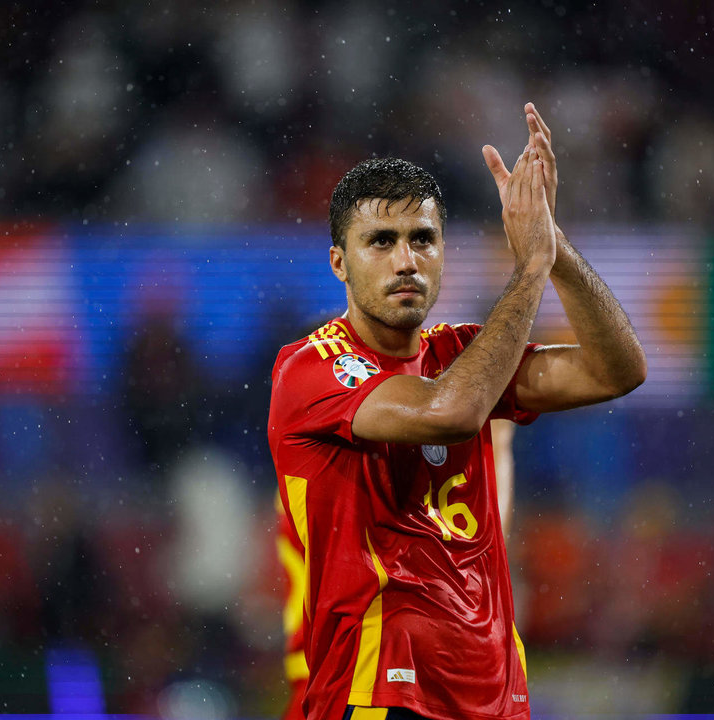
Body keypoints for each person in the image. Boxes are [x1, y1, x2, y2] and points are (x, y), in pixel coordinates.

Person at [267, 103, 646, 720]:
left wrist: (553, 246)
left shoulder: (465, 353)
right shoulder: (309, 368)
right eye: (381, 242)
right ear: (340, 261)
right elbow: (450, 412)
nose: (406, 260)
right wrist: (529, 268)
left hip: (495, 696)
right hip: (380, 695)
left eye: (423, 239)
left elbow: (618, 370)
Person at [276, 419, 517, 720]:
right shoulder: (356, 468)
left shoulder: (318, 464)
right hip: (365, 687)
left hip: (341, 686)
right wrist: (495, 433)